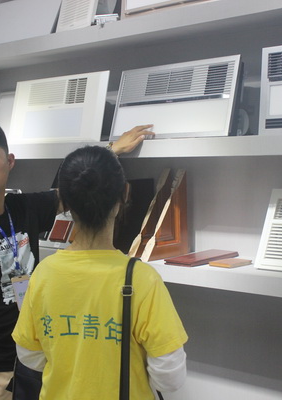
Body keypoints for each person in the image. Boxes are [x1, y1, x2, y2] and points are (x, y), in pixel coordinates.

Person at [0, 121, 152, 400]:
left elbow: (77, 186)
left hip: (36, 360)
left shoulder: (24, 207)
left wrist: (110, 151)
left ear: (9, 161)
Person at [12, 145, 188, 399]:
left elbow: (29, 356)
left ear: (65, 201)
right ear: (125, 193)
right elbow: (169, 378)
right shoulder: (142, 278)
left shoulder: (44, 273)